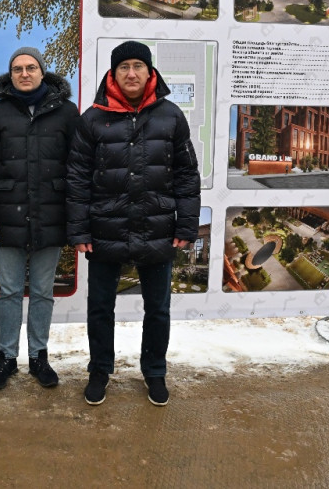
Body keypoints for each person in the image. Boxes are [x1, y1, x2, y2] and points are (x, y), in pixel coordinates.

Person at [66, 40, 200, 407]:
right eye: (123, 67)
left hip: (158, 228)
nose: (131, 73)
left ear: (149, 71)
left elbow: (187, 174)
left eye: (138, 66)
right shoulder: (93, 118)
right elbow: (77, 178)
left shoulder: (171, 116)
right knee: (100, 307)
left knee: (158, 309)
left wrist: (186, 226)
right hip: (105, 229)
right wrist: (79, 230)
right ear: (113, 74)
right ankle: (99, 370)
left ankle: (155, 371)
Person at [0, 47, 79, 390]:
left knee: (43, 291)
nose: (24, 73)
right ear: (11, 75)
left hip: (52, 215)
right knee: (9, 290)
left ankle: (39, 357)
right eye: (17, 68)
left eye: (31, 67)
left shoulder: (67, 112)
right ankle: (6, 357)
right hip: (7, 216)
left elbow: (78, 167)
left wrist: (75, 220)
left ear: (42, 72)